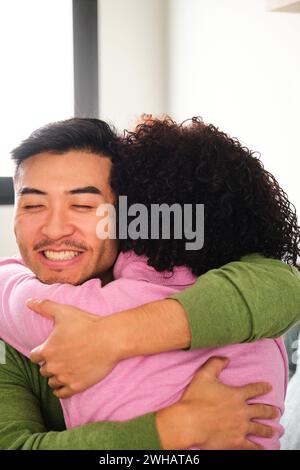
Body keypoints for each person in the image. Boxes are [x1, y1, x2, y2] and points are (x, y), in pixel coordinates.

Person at [0, 118, 299, 449]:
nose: (54, 230)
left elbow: (285, 285)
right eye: (32, 205)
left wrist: (114, 336)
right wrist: (173, 428)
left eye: (83, 205)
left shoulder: (215, 277)